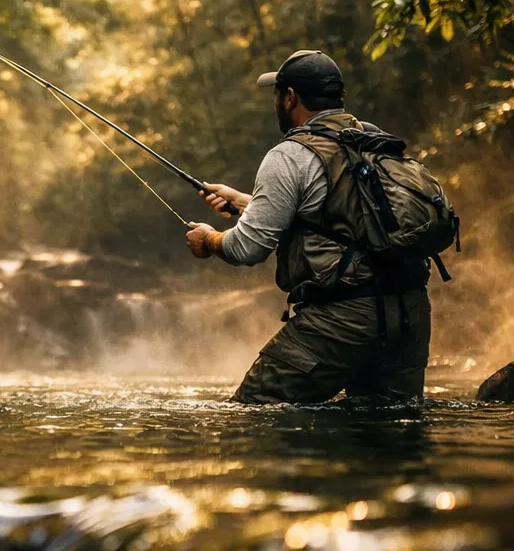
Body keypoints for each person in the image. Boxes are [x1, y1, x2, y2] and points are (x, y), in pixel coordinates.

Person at [184, 50, 431, 404]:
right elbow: (349, 224)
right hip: (409, 312)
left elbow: (246, 249)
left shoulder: (289, 155)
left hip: (343, 317)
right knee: (388, 432)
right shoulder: (374, 143)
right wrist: (245, 202)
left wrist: (208, 239)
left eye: (277, 93)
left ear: (290, 98)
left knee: (256, 411)